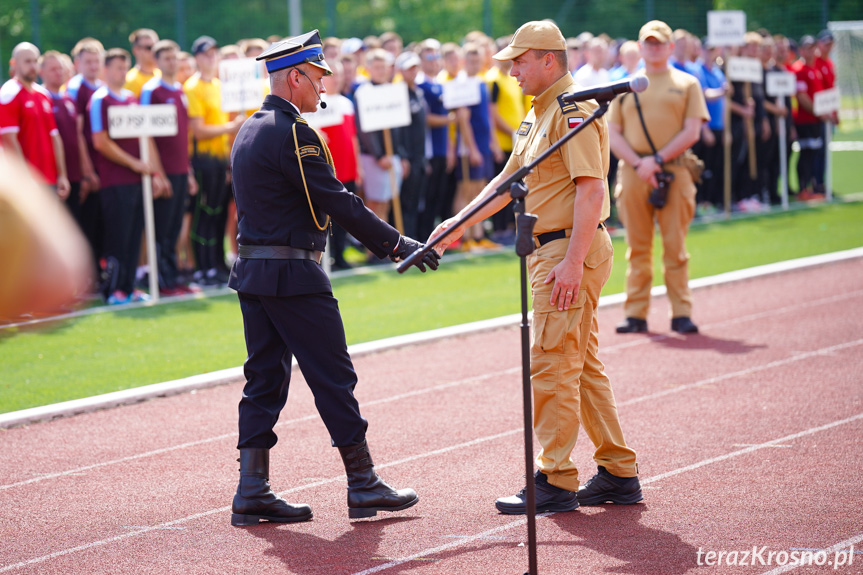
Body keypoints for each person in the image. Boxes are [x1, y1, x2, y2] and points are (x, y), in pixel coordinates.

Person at [228, 29, 439, 526]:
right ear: (294, 77)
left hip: (255, 273)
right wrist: (397, 243)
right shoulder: (294, 132)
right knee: (334, 378)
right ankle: (363, 484)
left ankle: (251, 489)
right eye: (317, 77)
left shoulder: (250, 128)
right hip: (293, 275)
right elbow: (337, 200)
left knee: (262, 380)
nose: (323, 87)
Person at [429, 21, 641, 514]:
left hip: (568, 251)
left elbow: (592, 190)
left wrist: (570, 262)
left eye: (520, 61)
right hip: (557, 250)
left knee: (551, 364)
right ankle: (617, 471)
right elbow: (509, 180)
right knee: (580, 365)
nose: (513, 71)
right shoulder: (539, 111)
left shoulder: (574, 108)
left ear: (549, 59)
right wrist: (457, 223)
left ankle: (555, 479)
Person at [610, 21, 709, 334]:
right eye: (648, 43)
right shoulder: (625, 85)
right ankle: (635, 313)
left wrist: (656, 160)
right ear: (640, 47)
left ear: (670, 47)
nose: (653, 48)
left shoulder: (687, 83)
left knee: (675, 247)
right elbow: (612, 134)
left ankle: (681, 312)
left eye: (659, 43)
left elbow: (692, 131)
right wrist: (641, 163)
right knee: (637, 248)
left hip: (675, 171)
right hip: (635, 172)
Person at [89, 48, 167, 304]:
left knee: (135, 236)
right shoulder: (100, 99)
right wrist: (135, 164)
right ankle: (113, 290)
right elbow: (101, 141)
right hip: (115, 181)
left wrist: (153, 172)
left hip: (137, 181)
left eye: (125, 67)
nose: (122, 72)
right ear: (105, 70)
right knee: (118, 237)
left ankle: (129, 286)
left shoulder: (131, 99)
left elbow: (145, 137)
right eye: (117, 68)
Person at [184, 35, 245, 286]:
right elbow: (198, 130)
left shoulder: (220, 85)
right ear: (197, 58)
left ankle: (216, 265)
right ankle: (202, 268)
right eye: (206, 54)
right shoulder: (192, 87)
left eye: (214, 53)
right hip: (202, 160)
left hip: (221, 161)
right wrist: (232, 126)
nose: (211, 58)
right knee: (204, 215)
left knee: (218, 215)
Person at [141, 39, 198, 295]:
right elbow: (146, 135)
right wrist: (157, 173)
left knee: (175, 228)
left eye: (174, 57)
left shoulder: (179, 90)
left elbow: (183, 135)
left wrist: (188, 171)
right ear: (157, 62)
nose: (172, 62)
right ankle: (162, 281)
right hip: (163, 173)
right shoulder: (151, 90)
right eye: (166, 58)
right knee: (162, 229)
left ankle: (173, 278)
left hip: (180, 171)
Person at [0, 43, 70, 201]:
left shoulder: (43, 94)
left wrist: (62, 175)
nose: (32, 66)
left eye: (35, 61)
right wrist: (25, 179)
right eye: (27, 61)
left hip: (49, 180)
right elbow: (9, 140)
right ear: (14, 63)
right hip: (23, 185)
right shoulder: (9, 93)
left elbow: (54, 137)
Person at [39, 50, 83, 221]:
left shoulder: (69, 99)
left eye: (61, 68)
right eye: (53, 69)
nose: (59, 73)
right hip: (52, 177)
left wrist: (84, 173)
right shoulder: (41, 98)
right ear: (41, 72)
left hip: (74, 175)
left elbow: (78, 137)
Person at [124, 29, 161, 98]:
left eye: (156, 47)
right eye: (149, 48)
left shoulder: (162, 76)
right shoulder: (130, 81)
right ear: (136, 50)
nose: (154, 51)